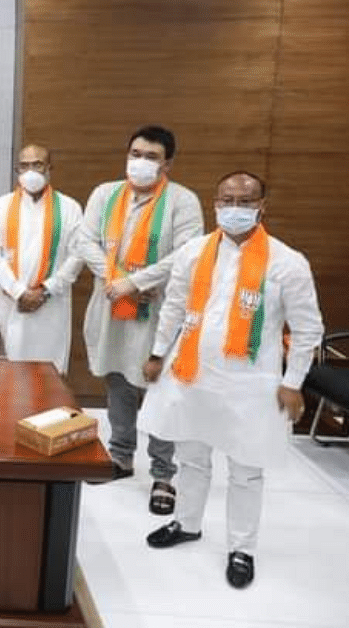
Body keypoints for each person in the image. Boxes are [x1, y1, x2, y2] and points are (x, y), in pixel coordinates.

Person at [139, 171, 323, 588]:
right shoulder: (193, 251)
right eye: (227, 200)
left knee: (246, 470)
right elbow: (173, 307)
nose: (234, 209)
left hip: (250, 384)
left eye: (245, 201)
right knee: (191, 458)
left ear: (262, 207)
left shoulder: (287, 262)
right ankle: (186, 524)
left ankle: (242, 549)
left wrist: (292, 382)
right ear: (215, 203)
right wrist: (156, 354)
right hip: (191, 374)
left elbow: (309, 329)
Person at [73, 125, 205, 514]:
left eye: (151, 156)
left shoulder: (183, 201)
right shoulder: (105, 193)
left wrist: (137, 281)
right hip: (113, 304)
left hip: (159, 308)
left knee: (160, 387)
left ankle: (164, 472)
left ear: (168, 163)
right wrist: (118, 281)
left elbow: (187, 254)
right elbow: (84, 240)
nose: (141, 162)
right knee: (117, 380)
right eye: (136, 153)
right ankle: (121, 456)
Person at [0, 144, 84, 372]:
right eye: (24, 165)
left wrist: (45, 290)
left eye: (37, 164)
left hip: (50, 304)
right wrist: (19, 292)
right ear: (17, 170)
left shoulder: (70, 208)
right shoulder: (1, 206)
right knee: (10, 376)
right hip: (12, 302)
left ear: (49, 168)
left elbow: (77, 256)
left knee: (49, 376)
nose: (30, 171)